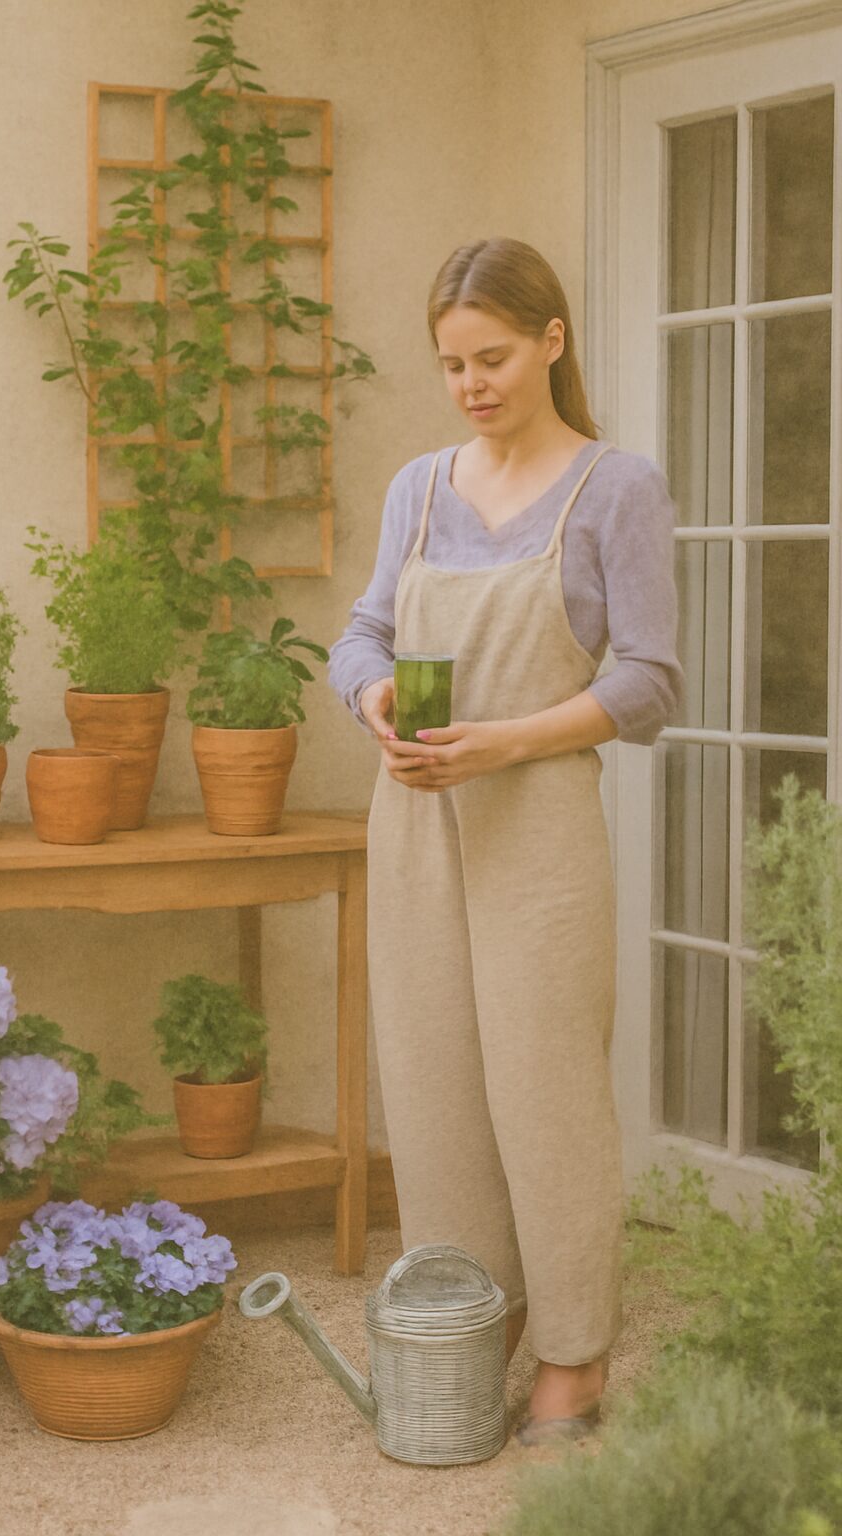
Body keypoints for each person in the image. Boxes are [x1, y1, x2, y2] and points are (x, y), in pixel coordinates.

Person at [326, 237, 683, 1448]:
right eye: (450, 365)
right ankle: (472, 1321)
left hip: (536, 828)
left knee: (546, 1092)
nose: (471, 383)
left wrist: (506, 742)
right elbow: (359, 635)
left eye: (490, 356)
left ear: (550, 339)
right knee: (431, 1093)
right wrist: (374, 700)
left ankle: (574, 1357)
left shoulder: (613, 489)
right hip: (416, 822)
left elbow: (647, 682)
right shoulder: (418, 488)